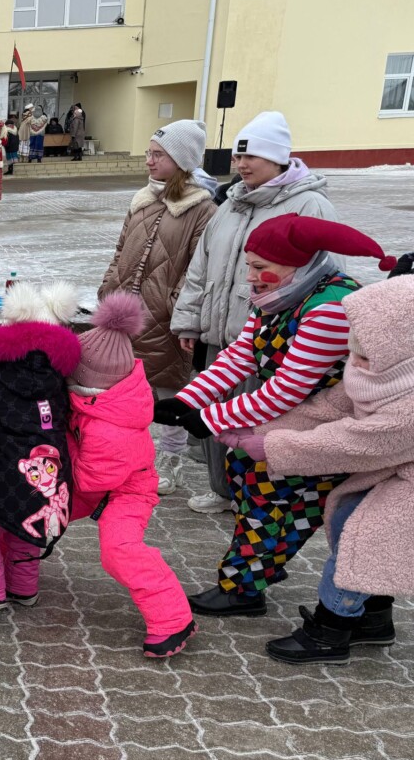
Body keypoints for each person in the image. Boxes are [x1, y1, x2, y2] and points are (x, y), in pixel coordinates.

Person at [155, 216, 395, 618]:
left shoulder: (330, 308)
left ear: (297, 264)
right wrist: (187, 400)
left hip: (333, 429)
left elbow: (287, 389)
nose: (250, 276)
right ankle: (262, 576)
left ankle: (247, 589)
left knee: (273, 493)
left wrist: (210, 419)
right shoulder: (279, 293)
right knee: (250, 477)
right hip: (296, 420)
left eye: (259, 266)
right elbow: (241, 355)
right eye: (247, 265)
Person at [170, 111, 339, 514]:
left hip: (273, 337)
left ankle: (254, 498)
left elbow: (328, 273)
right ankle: (221, 490)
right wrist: (189, 319)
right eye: (238, 157)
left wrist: (305, 331)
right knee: (212, 411)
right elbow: (201, 265)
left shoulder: (309, 204)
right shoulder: (230, 203)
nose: (242, 165)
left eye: (252, 157)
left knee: (258, 418)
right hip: (221, 331)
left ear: (278, 158)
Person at [253, 268, 411, 664]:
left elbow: (358, 443)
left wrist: (273, 446)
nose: (355, 357)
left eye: (366, 351)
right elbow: (331, 407)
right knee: (355, 521)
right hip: (391, 465)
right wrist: (259, 429)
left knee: (362, 532)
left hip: (400, 471)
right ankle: (374, 619)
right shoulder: (377, 367)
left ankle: (331, 629)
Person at [68, 292, 197, 657]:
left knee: (119, 551)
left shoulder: (109, 428)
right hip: (97, 481)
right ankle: (2, 552)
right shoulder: (96, 401)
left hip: (125, 491)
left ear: (85, 383)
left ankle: (173, 619)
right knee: (36, 509)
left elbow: (89, 480)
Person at [99, 120, 216, 495]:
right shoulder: (142, 200)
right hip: (125, 313)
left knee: (169, 389)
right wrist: (108, 288)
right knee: (122, 387)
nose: (149, 160)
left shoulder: (202, 209)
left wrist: (177, 309)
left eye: (158, 155)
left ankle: (171, 458)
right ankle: (125, 454)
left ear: (182, 160)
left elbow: (198, 267)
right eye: (149, 153)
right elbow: (121, 250)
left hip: (165, 316)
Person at [0, 281, 80, 614]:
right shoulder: (59, 381)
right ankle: (23, 589)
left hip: (4, 470)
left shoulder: (0, 377)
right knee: (28, 527)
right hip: (51, 474)